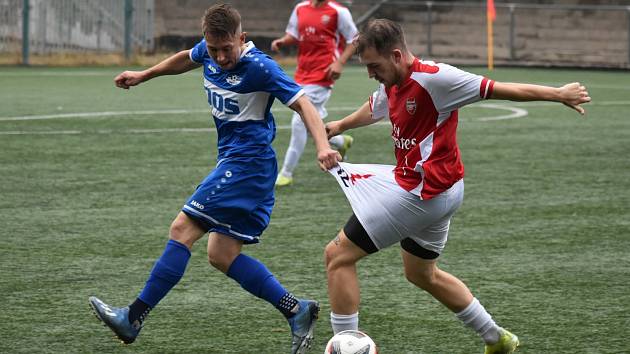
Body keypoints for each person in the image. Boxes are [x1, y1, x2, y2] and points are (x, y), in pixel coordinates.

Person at [324, 19, 590, 354]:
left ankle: (345, 348)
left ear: (395, 55)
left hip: (421, 194)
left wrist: (558, 94)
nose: (370, 73)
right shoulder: (391, 80)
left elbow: (498, 88)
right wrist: (340, 125)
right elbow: (377, 106)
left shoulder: (437, 79)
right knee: (422, 274)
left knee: (338, 256)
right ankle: (497, 339)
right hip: (443, 190)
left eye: (374, 66)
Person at [88, 4, 340, 354]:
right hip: (239, 164)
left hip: (248, 166)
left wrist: (323, 146)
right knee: (222, 254)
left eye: (227, 49)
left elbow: (305, 105)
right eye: (213, 50)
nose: (220, 57)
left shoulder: (260, 67)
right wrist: (144, 75)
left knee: (181, 229)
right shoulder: (207, 51)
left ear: (242, 38)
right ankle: (296, 310)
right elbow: (185, 58)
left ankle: (133, 317)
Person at [271, 0, 358, 187]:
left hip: (323, 74)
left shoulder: (338, 11)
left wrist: (340, 62)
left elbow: (354, 39)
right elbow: (293, 35)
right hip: (302, 72)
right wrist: (283, 41)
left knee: (299, 122)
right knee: (311, 122)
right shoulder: (300, 8)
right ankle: (341, 140)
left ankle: (286, 173)